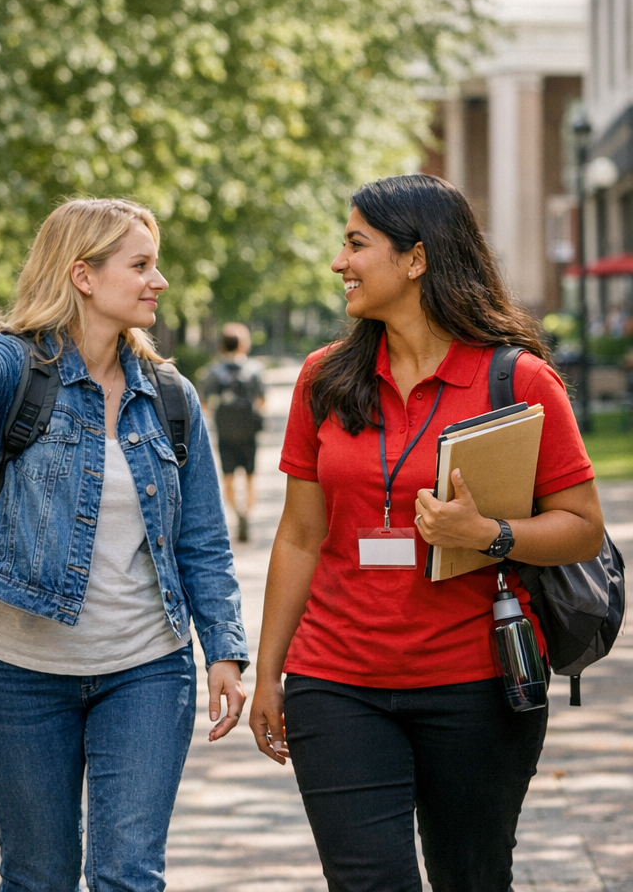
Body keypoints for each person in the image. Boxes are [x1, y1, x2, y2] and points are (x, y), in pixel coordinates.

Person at [248, 174, 605, 891]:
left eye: (356, 244)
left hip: (476, 685)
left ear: (416, 259)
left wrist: (489, 533)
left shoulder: (519, 380)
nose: (338, 262)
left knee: (471, 877)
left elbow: (582, 529)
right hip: (336, 681)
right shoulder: (324, 378)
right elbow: (298, 536)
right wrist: (269, 672)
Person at [0, 198, 249, 892]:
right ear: (83, 275)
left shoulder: (170, 396)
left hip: (147, 668)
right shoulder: (13, 371)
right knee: (39, 877)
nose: (159, 281)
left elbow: (202, 539)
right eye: (141, 265)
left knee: (128, 877)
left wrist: (225, 652)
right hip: (16, 672)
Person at [199, 322, 266, 542]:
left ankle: (236, 512)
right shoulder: (254, 370)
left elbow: (204, 404)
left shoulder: (212, 372)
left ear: (221, 346)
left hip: (225, 433)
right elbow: (262, 401)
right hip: (248, 434)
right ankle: (247, 511)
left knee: (227, 477)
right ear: (243, 345)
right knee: (250, 477)